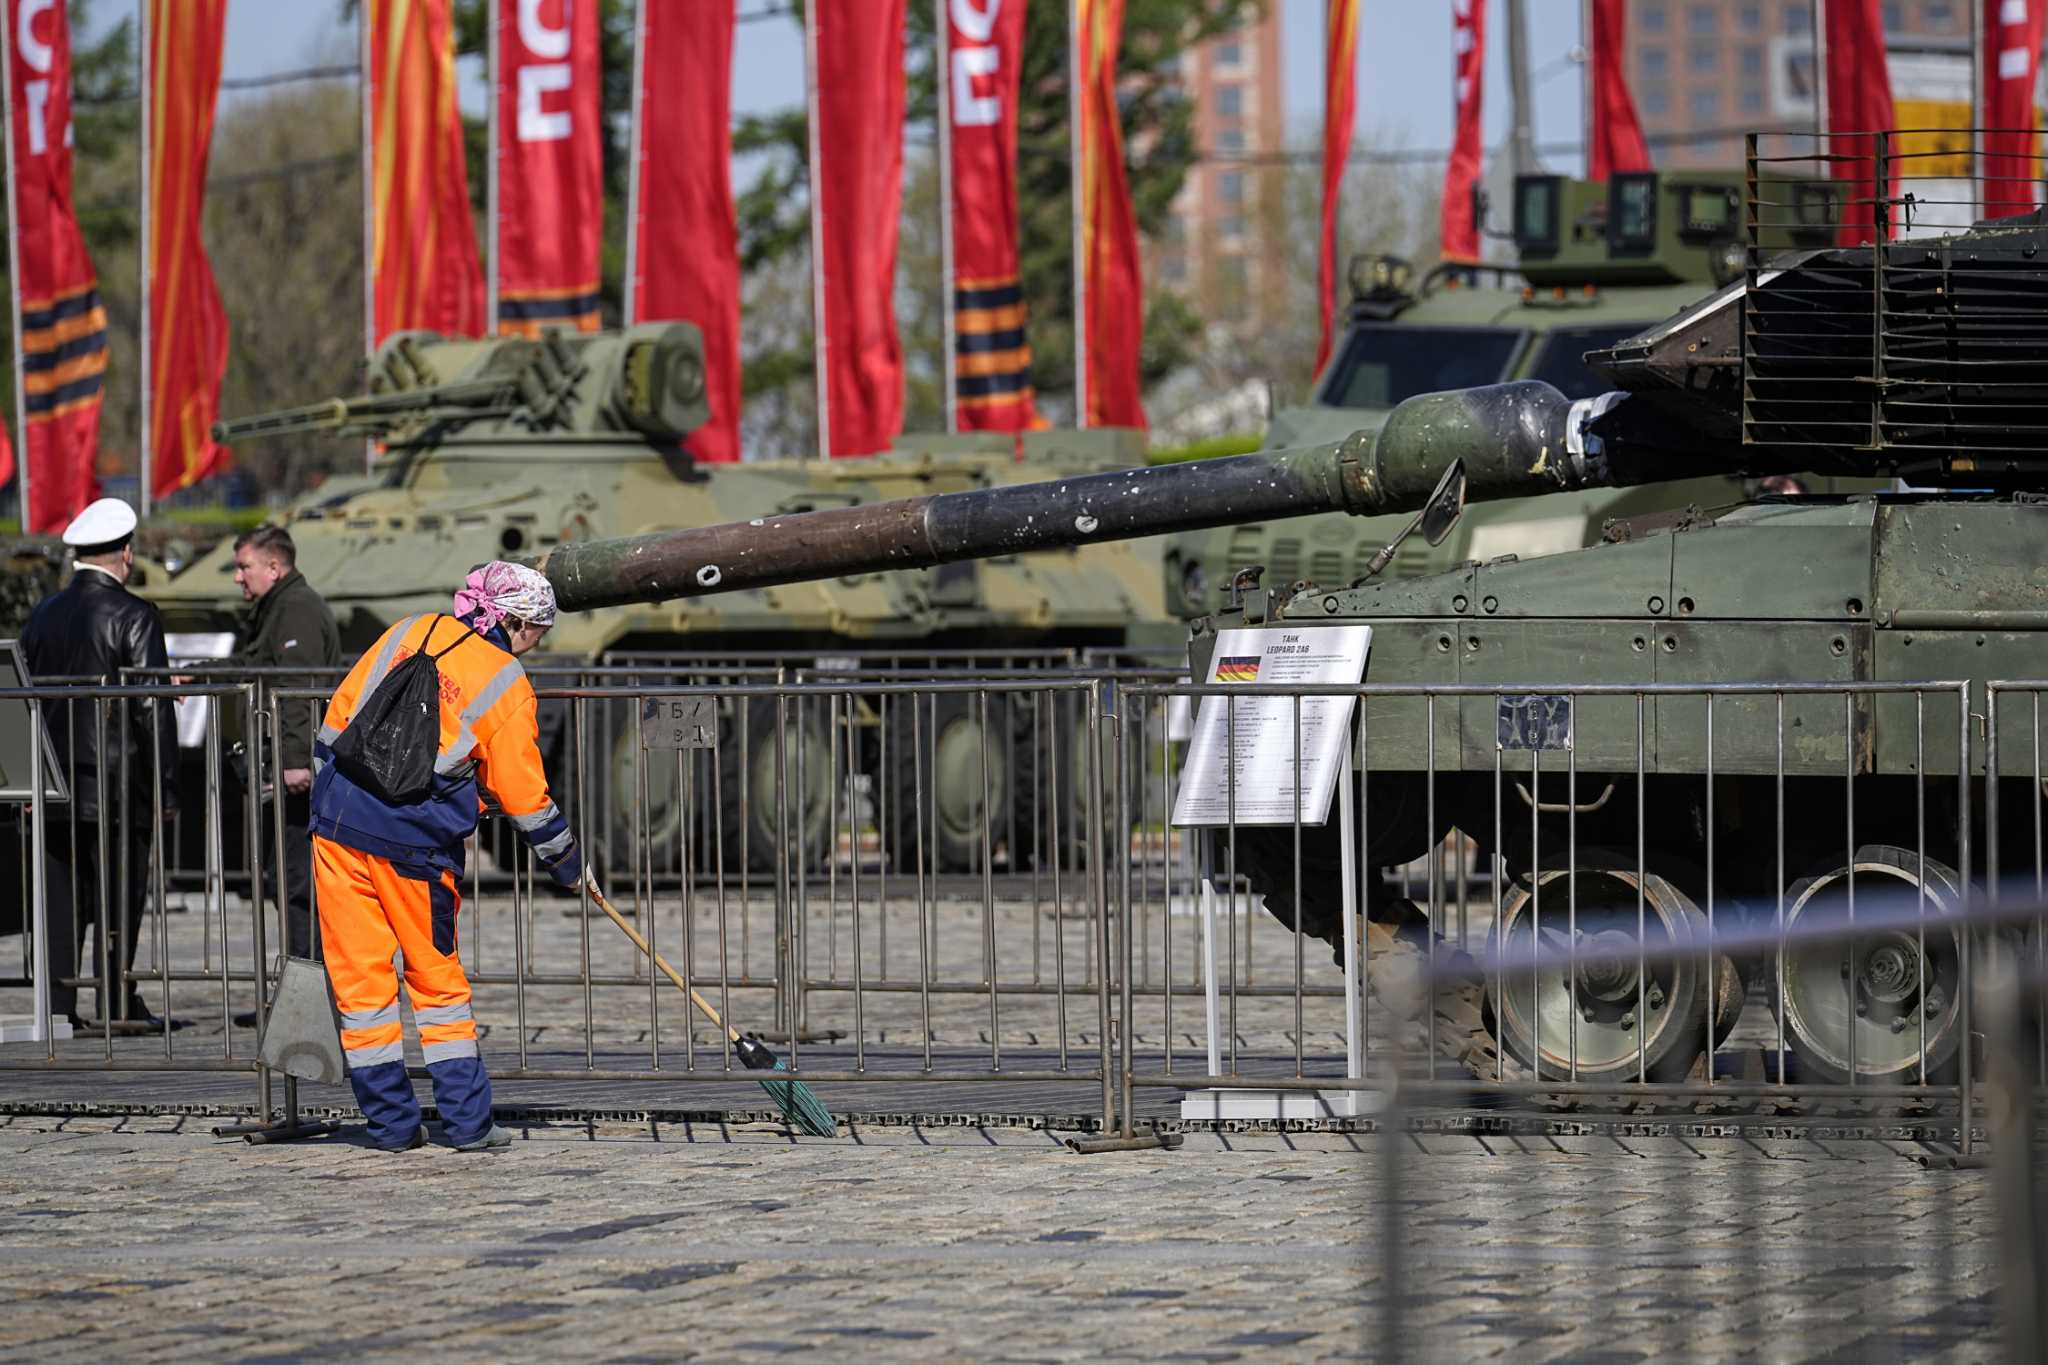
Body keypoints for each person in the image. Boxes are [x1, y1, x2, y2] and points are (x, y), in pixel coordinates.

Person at [309, 561, 583, 1151]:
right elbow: (524, 798)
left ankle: (390, 1126)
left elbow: (336, 719)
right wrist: (567, 863)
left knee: (360, 988)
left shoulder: (409, 628)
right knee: (436, 986)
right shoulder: (507, 682)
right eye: (538, 630)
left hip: (337, 827)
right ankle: (467, 1124)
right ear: (513, 622)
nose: (538, 643)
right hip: (415, 845)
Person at [20, 497, 179, 1031]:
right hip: (117, 786)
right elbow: (150, 712)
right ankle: (115, 1000)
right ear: (126, 554)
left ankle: (61, 1006)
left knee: (62, 902)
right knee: (119, 897)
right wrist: (166, 787)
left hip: (52, 784)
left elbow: (24, 700)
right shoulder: (135, 616)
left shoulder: (42, 614)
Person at [226, 526, 339, 1027]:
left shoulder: (295, 609)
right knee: (285, 881)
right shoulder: (279, 608)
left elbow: (298, 687)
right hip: (281, 765)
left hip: (295, 771)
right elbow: (257, 668)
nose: (238, 577)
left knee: (297, 885)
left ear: (274, 567)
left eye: (244, 566)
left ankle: (308, 1001)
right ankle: (300, 995)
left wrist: (296, 758)